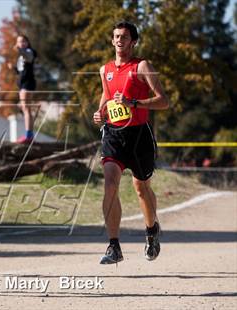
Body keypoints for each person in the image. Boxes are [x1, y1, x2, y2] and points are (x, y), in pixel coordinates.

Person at [93, 21, 169, 264]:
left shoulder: (142, 66)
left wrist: (134, 103)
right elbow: (107, 95)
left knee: (141, 188)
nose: (119, 40)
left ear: (133, 41)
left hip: (139, 136)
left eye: (124, 37)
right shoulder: (104, 70)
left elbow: (163, 101)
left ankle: (151, 231)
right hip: (114, 134)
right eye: (116, 36)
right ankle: (114, 245)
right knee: (110, 183)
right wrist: (100, 111)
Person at [10, 34, 37, 144]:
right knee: (25, 108)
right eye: (19, 42)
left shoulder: (29, 52)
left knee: (26, 109)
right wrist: (14, 69)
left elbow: (28, 57)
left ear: (27, 42)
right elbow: (22, 71)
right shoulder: (21, 57)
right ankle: (29, 135)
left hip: (27, 84)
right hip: (23, 85)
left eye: (23, 41)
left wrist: (20, 50)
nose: (21, 43)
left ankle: (29, 136)